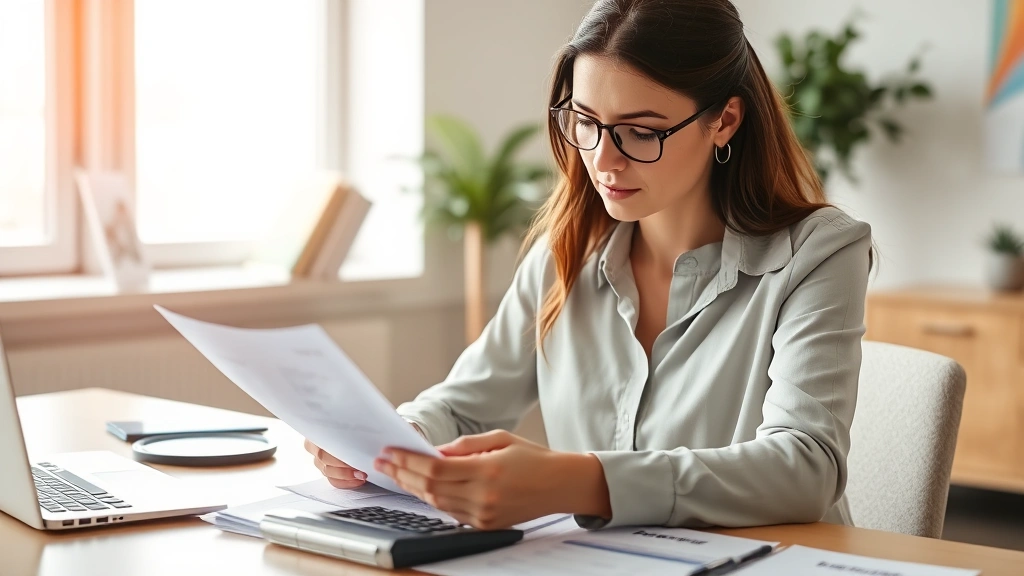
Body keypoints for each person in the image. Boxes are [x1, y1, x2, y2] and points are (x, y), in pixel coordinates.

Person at [306, 0, 872, 531]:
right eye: (585, 121)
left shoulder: (819, 253)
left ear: (723, 121)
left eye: (641, 131)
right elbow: (461, 404)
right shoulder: (565, 252)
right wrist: (397, 439)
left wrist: (581, 482)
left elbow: (806, 466)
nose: (603, 159)